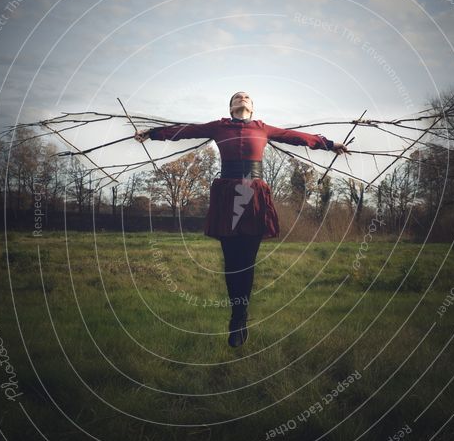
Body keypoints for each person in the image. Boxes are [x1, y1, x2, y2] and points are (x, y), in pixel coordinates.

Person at [135, 92, 349, 347]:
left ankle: (240, 318)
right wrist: (152, 133)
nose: (242, 98)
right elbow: (186, 131)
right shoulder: (219, 126)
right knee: (232, 262)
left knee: (246, 263)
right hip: (227, 197)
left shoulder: (263, 128)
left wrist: (329, 144)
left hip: (253, 196)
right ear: (231, 106)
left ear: (252, 106)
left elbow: (297, 138)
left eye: (246, 96)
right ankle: (237, 316)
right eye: (237, 96)